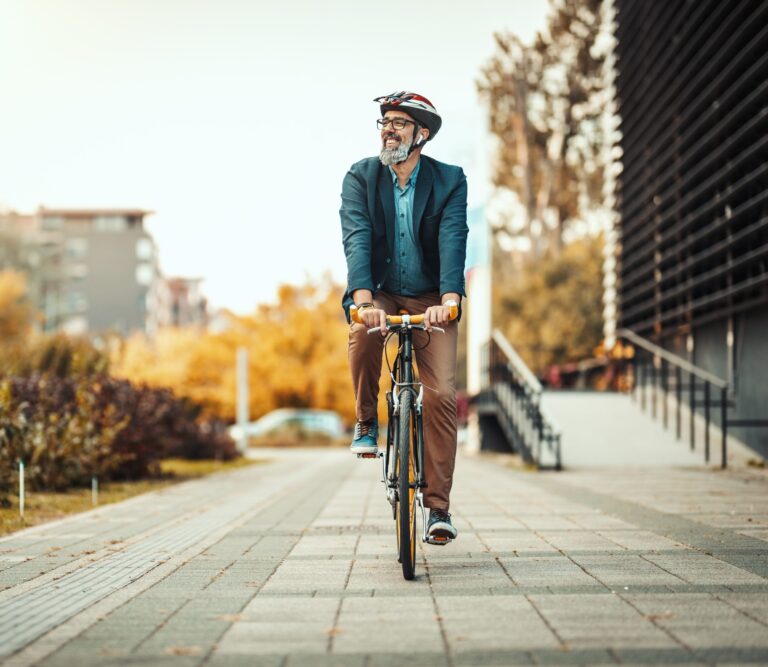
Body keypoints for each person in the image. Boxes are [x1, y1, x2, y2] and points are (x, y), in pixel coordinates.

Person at [339, 91, 468, 541]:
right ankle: (366, 420)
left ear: (421, 134)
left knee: (439, 396)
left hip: (432, 296)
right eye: (384, 122)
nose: (388, 128)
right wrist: (364, 300)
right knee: (364, 331)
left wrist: (450, 298)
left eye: (399, 122)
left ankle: (438, 510)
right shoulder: (361, 176)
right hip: (382, 292)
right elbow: (356, 236)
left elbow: (454, 237)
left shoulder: (450, 180)